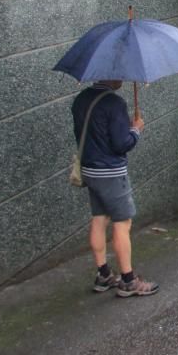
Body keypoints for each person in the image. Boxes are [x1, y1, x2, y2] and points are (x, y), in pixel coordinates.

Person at [72, 80, 159, 297]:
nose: (122, 78)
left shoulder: (81, 99)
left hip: (90, 170)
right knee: (122, 222)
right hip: (110, 172)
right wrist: (136, 130)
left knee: (99, 218)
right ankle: (128, 281)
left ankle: (103, 274)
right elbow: (122, 144)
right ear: (110, 77)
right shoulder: (114, 103)